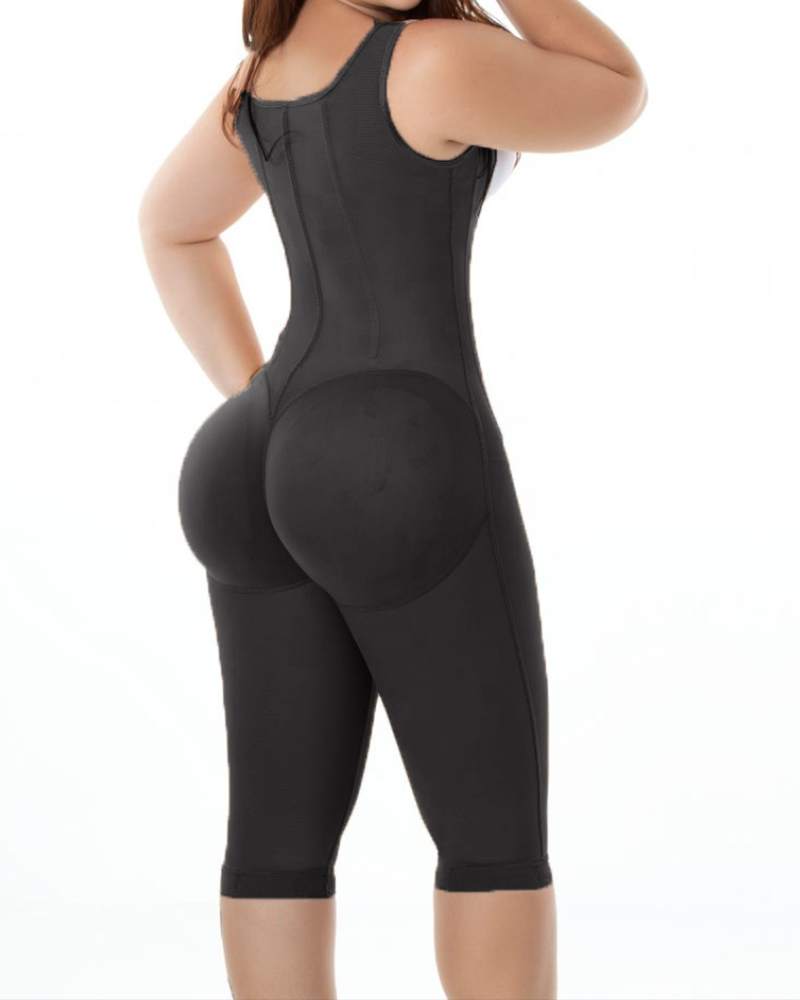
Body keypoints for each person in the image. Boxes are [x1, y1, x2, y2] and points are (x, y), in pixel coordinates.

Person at [139, 0, 646, 995]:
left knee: (275, 840)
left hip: (252, 451)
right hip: (397, 451)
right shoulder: (434, 60)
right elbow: (615, 91)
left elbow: (171, 228)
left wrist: (279, 416)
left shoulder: (260, 76)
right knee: (492, 839)